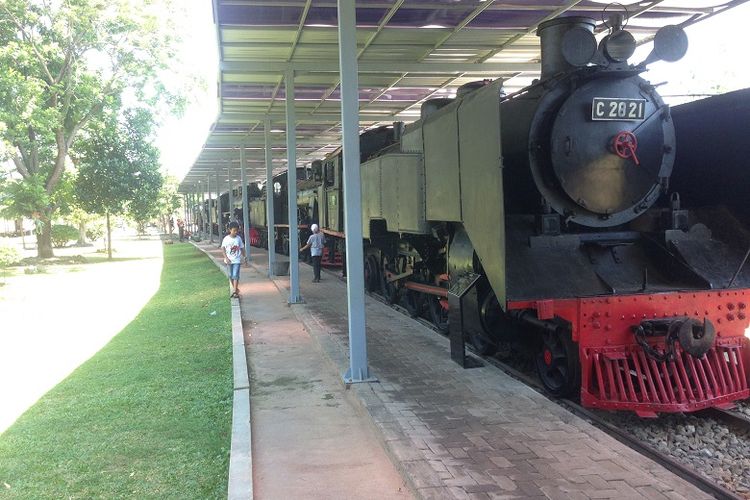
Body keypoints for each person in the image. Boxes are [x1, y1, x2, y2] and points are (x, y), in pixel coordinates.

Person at [222, 221, 246, 298]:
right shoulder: (226, 239)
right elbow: (223, 249)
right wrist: (226, 258)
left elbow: (242, 248)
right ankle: (235, 288)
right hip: (229, 261)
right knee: (230, 275)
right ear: (230, 230)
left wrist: (244, 257)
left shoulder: (238, 239)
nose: (235, 232)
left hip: (236, 260)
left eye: (237, 230)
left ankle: (235, 291)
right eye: (234, 230)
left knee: (235, 275)